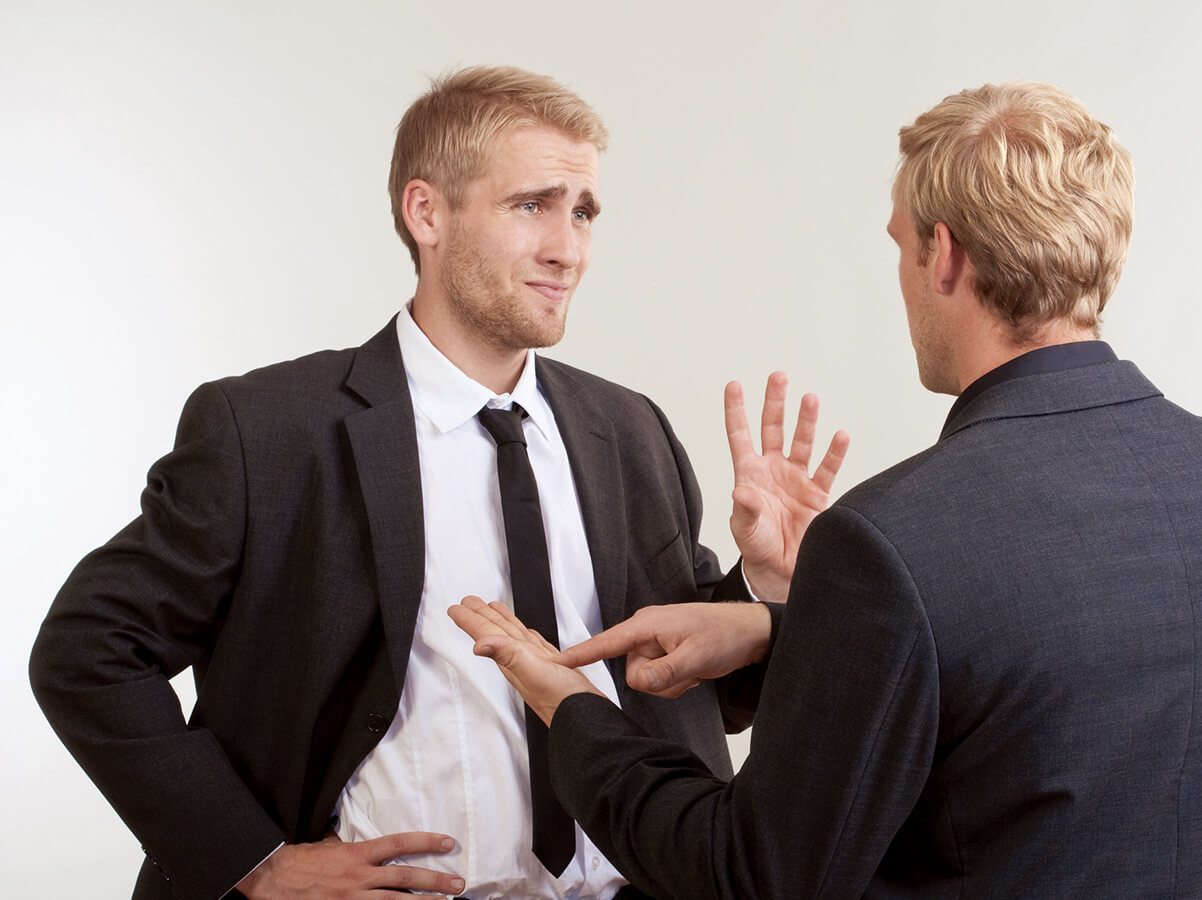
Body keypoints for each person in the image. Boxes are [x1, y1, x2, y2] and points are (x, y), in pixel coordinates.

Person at [450, 81, 1202, 898]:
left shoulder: (893, 541)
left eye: (900, 244)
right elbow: (1046, 677)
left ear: (945, 256)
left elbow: (752, 874)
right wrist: (776, 629)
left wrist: (568, 706)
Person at [28, 66, 848, 900]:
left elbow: (687, 693)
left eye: (584, 210)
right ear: (428, 213)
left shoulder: (629, 430)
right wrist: (255, 863)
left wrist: (764, 587)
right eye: (532, 204)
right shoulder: (267, 433)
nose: (568, 247)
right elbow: (85, 653)